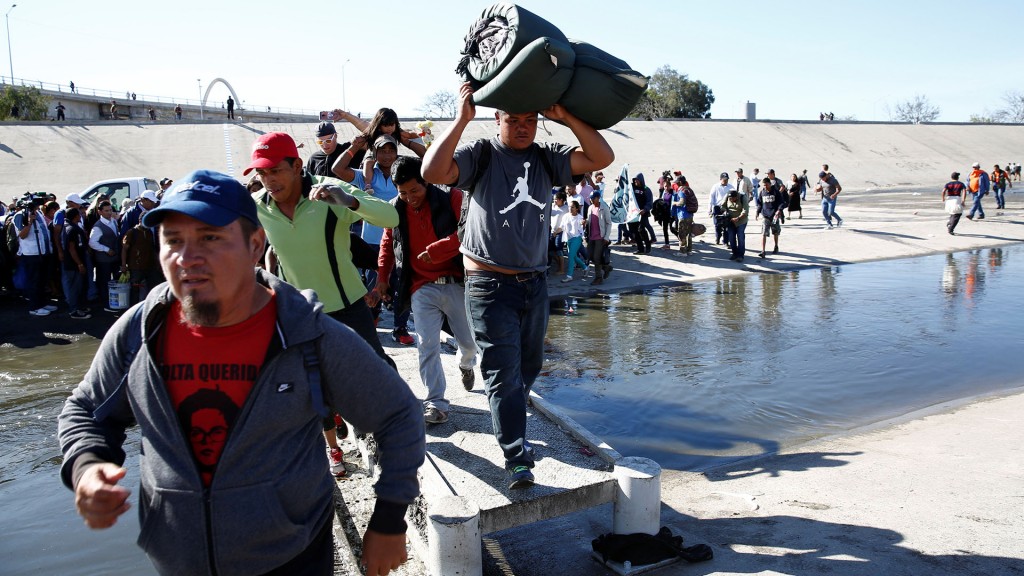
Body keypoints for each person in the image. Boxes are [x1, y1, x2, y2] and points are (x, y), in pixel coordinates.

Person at [57, 169, 424, 576]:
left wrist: (390, 519)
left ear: (254, 246)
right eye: (173, 240)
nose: (187, 257)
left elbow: (399, 415)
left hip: (293, 560)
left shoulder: (305, 334)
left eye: (210, 238)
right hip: (178, 562)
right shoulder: (141, 332)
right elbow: (86, 411)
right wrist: (87, 466)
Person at [421, 81, 613, 489]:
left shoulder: (548, 158)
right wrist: (461, 118)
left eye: (530, 120)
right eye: (513, 120)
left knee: (529, 367)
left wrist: (566, 118)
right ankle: (516, 455)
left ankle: (509, 419)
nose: (523, 127)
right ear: (498, 119)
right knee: (502, 373)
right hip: (489, 284)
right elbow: (433, 172)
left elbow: (602, 156)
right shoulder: (483, 154)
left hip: (534, 283)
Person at [245, 132, 399, 476]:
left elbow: (391, 219)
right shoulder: (257, 206)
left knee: (376, 367)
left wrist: (350, 201)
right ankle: (333, 446)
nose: (267, 180)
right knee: (313, 384)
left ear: (297, 166)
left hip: (347, 304)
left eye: (274, 171)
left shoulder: (330, 191)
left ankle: (397, 422)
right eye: (261, 173)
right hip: (300, 311)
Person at [374, 155, 478, 425]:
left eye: (414, 190)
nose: (410, 197)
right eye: (403, 192)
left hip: (455, 282)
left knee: (468, 343)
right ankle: (436, 403)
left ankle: (466, 364)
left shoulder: (451, 197)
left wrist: (439, 249)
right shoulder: (394, 208)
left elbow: (468, 231)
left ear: (426, 182)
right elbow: (387, 243)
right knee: (426, 345)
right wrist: (382, 277)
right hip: (420, 287)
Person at [331, 133, 415, 346]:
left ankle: (400, 327)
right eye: (382, 151)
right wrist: (353, 147)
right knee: (372, 285)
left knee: (402, 285)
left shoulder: (403, 174)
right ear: (375, 154)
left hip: (400, 239)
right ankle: (371, 320)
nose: (387, 155)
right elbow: (337, 170)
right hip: (371, 240)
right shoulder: (366, 175)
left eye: (391, 150)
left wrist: (411, 141)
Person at [14, 198, 56, 316]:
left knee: (42, 280)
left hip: (43, 252)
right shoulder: (20, 216)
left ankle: (42, 303)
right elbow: (22, 235)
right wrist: (29, 222)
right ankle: (34, 307)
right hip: (32, 254)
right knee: (34, 281)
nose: (37, 207)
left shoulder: (39, 214)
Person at [88, 200, 120, 311]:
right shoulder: (97, 227)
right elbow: (92, 243)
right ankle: (106, 304)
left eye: (110, 210)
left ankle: (114, 302)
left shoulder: (113, 222)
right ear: (100, 212)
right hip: (103, 259)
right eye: (106, 211)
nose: (109, 212)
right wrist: (106, 249)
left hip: (114, 258)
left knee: (115, 281)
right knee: (104, 282)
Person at [61, 207, 91, 319]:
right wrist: (80, 264)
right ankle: (74, 311)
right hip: (74, 265)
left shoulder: (67, 226)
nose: (81, 216)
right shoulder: (72, 229)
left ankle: (79, 307)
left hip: (71, 263)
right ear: (75, 216)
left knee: (78, 287)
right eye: (79, 214)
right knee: (75, 288)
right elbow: (72, 248)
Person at [584, 190, 612, 285]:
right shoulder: (590, 208)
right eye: (591, 198)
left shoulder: (604, 208)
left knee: (596, 257)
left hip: (600, 237)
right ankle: (606, 267)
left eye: (593, 198)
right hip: (591, 237)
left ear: (598, 198)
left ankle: (598, 277)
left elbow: (609, 223)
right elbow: (589, 220)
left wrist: (606, 237)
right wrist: (585, 222)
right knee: (590, 256)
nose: (591, 200)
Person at [557, 200, 588, 282]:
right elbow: (562, 227)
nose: (570, 208)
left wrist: (583, 223)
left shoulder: (579, 217)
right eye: (569, 207)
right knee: (574, 256)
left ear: (577, 209)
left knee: (570, 256)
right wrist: (556, 232)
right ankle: (585, 267)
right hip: (568, 239)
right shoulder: (566, 216)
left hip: (577, 238)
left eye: (572, 207)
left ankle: (569, 276)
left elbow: (582, 225)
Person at [756, 177, 786, 257]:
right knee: (764, 233)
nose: (765, 187)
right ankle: (763, 251)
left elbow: (781, 202)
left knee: (775, 232)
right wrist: (758, 212)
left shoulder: (776, 192)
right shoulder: (762, 192)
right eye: (764, 185)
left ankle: (776, 246)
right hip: (765, 216)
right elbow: (759, 203)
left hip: (774, 216)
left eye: (766, 185)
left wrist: (779, 210)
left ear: (770, 184)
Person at [671, 175, 698, 255]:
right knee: (688, 233)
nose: (676, 184)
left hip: (683, 215)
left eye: (676, 182)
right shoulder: (689, 189)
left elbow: (682, 202)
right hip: (690, 215)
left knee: (682, 234)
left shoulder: (681, 190)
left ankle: (682, 252)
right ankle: (689, 250)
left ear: (679, 182)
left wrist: (674, 203)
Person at [628, 174, 653, 254]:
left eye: (637, 180)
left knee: (641, 229)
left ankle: (648, 246)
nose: (636, 181)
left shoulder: (646, 190)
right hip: (633, 213)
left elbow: (650, 202)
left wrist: (645, 209)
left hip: (643, 213)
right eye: (635, 180)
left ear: (641, 180)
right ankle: (640, 249)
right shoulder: (631, 188)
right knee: (634, 231)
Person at [723, 187, 748, 262]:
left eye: (733, 198)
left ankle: (741, 255)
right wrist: (725, 212)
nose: (731, 200)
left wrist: (738, 218)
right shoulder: (727, 196)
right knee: (731, 237)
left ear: (736, 197)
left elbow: (745, 211)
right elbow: (722, 206)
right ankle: (734, 253)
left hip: (741, 221)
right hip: (730, 220)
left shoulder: (743, 198)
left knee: (740, 236)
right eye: (730, 199)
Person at [710, 172, 734, 244]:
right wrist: (710, 209)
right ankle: (717, 238)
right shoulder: (715, 186)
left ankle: (726, 241)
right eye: (724, 179)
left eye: (727, 179)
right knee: (717, 225)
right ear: (720, 179)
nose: (726, 181)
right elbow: (711, 198)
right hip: (717, 207)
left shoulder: (731, 187)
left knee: (727, 225)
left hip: (727, 208)